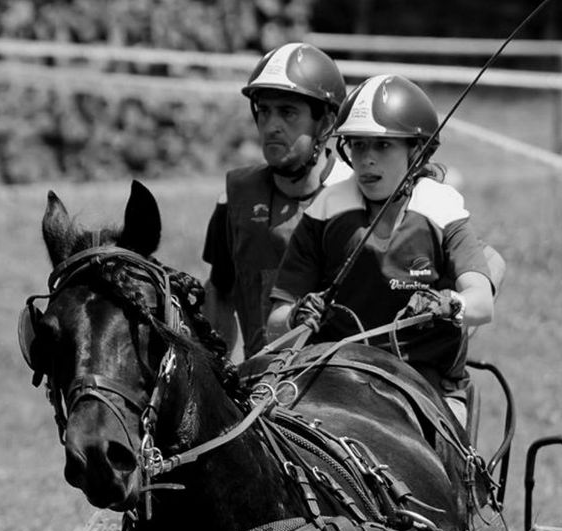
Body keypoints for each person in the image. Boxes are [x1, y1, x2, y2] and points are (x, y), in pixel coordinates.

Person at [266, 74, 500, 428]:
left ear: (416, 151)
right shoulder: (325, 210)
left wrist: (449, 304)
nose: (367, 160)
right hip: (333, 377)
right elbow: (275, 323)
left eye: (383, 146)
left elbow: (481, 303)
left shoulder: (441, 208)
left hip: (427, 384)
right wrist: (296, 316)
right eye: (358, 146)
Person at [202, 42, 351, 359]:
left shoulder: (359, 198)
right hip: (260, 378)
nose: (271, 126)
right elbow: (219, 293)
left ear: (325, 124)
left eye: (287, 112)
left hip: (342, 378)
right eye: (264, 111)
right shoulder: (233, 199)